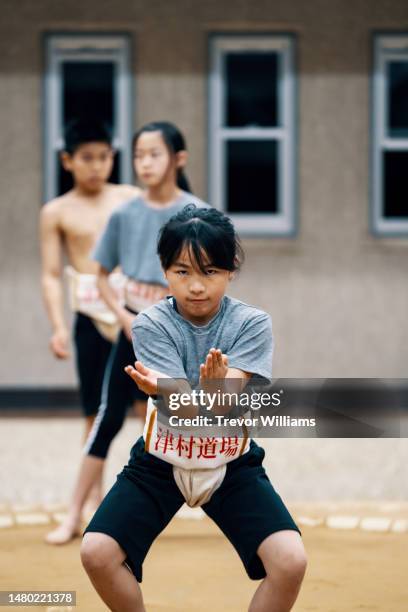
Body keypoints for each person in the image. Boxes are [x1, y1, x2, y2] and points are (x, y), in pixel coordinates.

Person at [81, 205, 307, 612]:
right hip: (160, 458)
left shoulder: (252, 324)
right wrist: (202, 393)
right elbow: (185, 409)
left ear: (231, 270)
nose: (197, 286)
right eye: (183, 272)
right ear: (164, 271)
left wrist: (198, 393)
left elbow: (216, 406)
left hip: (230, 460)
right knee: (96, 552)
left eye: (210, 271)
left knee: (290, 562)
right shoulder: (149, 323)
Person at [45, 121, 208, 545]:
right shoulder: (125, 212)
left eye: (154, 154)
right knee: (106, 418)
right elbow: (100, 276)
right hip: (132, 325)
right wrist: (123, 318)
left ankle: (216, 504)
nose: (145, 163)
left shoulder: (196, 213)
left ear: (178, 159)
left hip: (178, 328)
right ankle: (73, 514)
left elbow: (213, 277)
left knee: (189, 417)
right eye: (139, 155)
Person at [40, 118, 142, 539]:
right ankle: (95, 507)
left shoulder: (131, 198)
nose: (96, 166)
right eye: (87, 158)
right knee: (93, 414)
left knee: (145, 407)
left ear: (112, 158)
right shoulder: (57, 211)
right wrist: (57, 326)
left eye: (103, 157)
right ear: (67, 161)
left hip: (133, 312)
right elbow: (49, 273)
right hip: (88, 314)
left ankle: (151, 498)